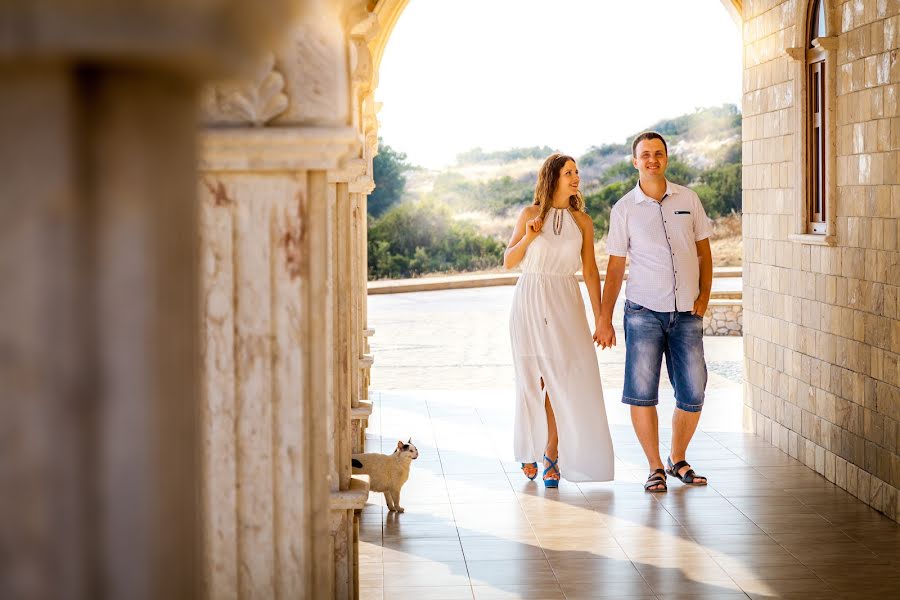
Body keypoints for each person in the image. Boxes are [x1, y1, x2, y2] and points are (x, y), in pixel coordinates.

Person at [596, 131, 713, 492]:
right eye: (644, 154)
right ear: (635, 161)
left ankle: (678, 458)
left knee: (693, 392)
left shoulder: (688, 199)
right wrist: (604, 318)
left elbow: (703, 252)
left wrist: (705, 295)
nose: (652, 159)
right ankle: (654, 467)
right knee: (642, 392)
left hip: (687, 314)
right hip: (643, 312)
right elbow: (615, 269)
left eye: (658, 153)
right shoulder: (624, 209)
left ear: (666, 158)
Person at [505, 153, 614, 488]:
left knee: (560, 378)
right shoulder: (528, 214)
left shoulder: (582, 221)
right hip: (530, 298)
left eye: (577, 172)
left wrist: (601, 318)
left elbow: (592, 271)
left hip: (565, 299)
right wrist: (529, 236)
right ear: (552, 177)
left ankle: (552, 452)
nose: (576, 177)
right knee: (532, 379)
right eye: (569, 172)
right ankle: (529, 446)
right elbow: (509, 261)